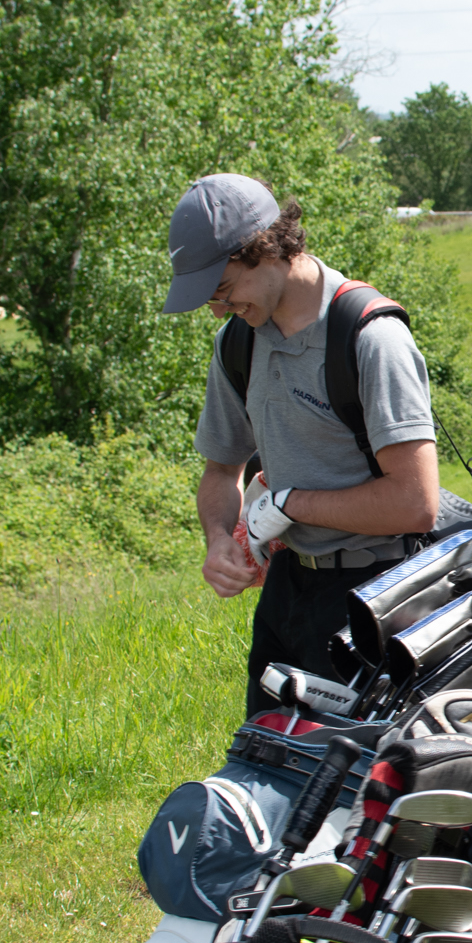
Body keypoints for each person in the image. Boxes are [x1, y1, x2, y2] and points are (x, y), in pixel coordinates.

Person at [165, 173, 440, 717]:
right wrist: (219, 538)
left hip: (379, 594)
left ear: (263, 249)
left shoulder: (368, 337)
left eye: (221, 290)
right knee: (269, 763)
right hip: (288, 592)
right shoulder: (238, 342)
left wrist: (289, 504)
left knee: (359, 788)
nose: (218, 310)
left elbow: (416, 503)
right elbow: (222, 471)